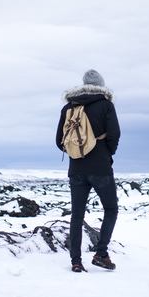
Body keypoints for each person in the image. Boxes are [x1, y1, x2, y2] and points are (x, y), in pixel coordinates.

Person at [56, 69, 121, 273]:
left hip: (76, 168)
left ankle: (76, 261)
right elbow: (115, 134)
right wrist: (105, 153)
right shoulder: (105, 104)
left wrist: (76, 152)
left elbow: (59, 141)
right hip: (100, 167)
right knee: (110, 209)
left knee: (77, 214)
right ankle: (101, 254)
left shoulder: (68, 107)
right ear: (101, 85)